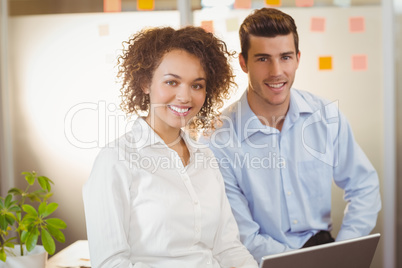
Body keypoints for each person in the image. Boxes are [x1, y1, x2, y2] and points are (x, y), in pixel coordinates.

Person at [202, 8, 381, 264]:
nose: (276, 71)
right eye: (263, 59)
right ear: (243, 63)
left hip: (325, 249)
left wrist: (343, 249)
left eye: (285, 57)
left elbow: (364, 186)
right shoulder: (217, 139)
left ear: (297, 59)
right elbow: (240, 234)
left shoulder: (324, 117)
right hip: (257, 258)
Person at [82, 26, 258, 268]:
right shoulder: (116, 160)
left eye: (196, 85)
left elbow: (227, 248)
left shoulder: (205, 157)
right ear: (145, 83)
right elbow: (110, 263)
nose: (185, 96)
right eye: (172, 82)